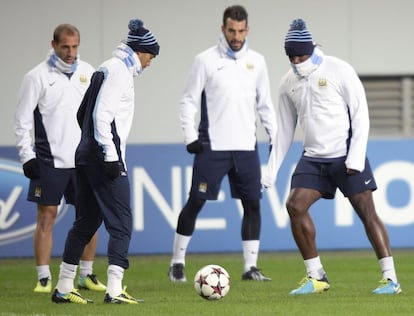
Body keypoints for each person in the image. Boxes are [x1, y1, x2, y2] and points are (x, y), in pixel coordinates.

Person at [262, 18, 401, 295]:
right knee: (295, 205)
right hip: (313, 158)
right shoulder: (287, 82)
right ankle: (317, 277)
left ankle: (390, 279)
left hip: (346, 154)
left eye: (301, 54)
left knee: (367, 214)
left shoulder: (339, 70)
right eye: (291, 56)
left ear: (312, 49)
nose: (296, 60)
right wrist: (271, 169)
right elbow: (284, 129)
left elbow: (361, 115)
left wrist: (356, 157)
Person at [51, 18, 160, 304]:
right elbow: (101, 115)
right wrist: (110, 155)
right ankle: (115, 289)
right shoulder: (121, 72)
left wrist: (88, 143)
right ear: (140, 52)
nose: (150, 63)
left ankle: (63, 287)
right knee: (122, 222)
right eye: (151, 56)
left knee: (86, 221)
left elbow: (81, 113)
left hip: (86, 153)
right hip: (103, 156)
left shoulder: (105, 67)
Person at [168, 5, 277, 283]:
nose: (236, 36)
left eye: (241, 31)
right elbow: (188, 100)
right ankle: (177, 262)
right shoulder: (204, 60)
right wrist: (189, 135)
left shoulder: (258, 62)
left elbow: (265, 105)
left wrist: (275, 137)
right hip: (212, 147)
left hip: (246, 148)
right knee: (196, 202)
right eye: (231, 30)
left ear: (248, 30)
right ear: (223, 29)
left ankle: (250, 268)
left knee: (253, 204)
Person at [15, 23, 106, 294]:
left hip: (83, 161)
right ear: (54, 45)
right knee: (46, 217)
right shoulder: (36, 77)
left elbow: (98, 114)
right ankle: (44, 278)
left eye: (75, 46)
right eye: (65, 46)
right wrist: (26, 156)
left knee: (89, 217)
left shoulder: (89, 73)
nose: (70, 52)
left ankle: (86, 275)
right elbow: (21, 119)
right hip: (48, 160)